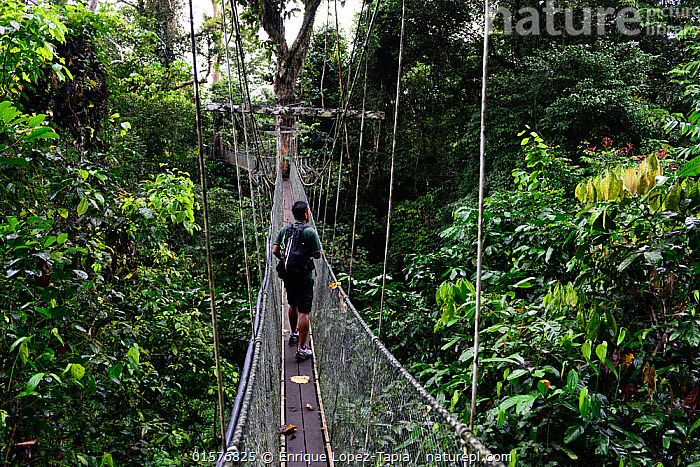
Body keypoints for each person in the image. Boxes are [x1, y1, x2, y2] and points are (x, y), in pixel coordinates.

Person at [272, 200, 322, 361]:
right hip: (304, 276)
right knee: (304, 312)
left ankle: (293, 333)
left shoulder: (284, 229)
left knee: (292, 304)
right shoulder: (310, 232)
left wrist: (285, 259)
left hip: (288, 274)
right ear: (306, 214)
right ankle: (301, 348)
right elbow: (317, 255)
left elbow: (275, 250)